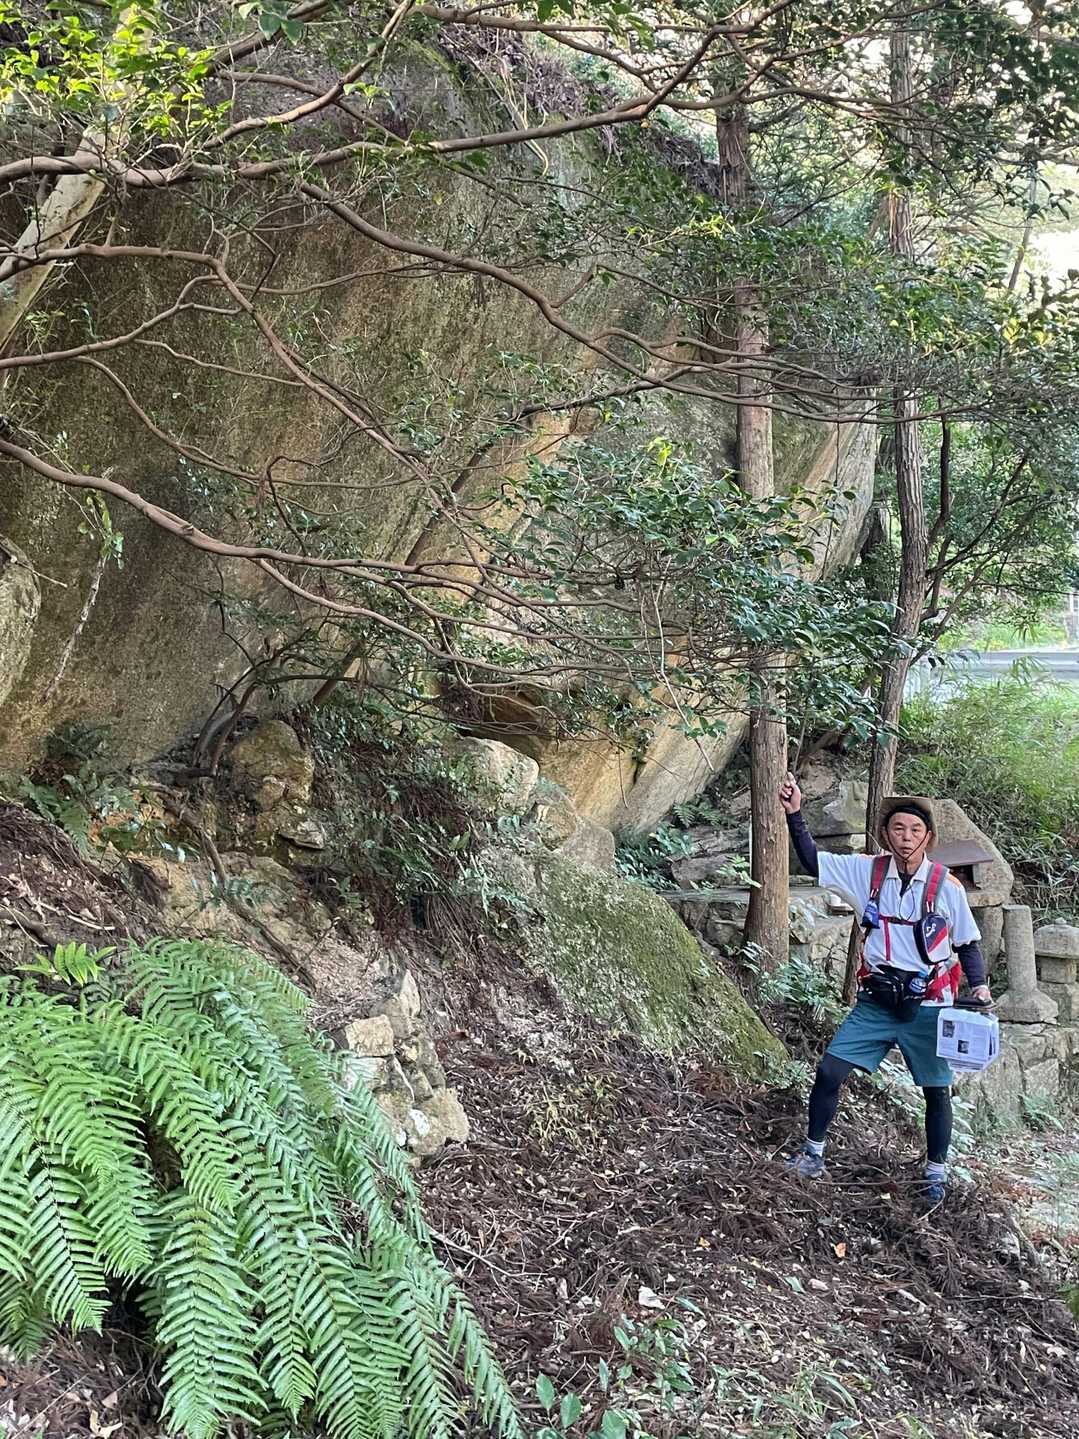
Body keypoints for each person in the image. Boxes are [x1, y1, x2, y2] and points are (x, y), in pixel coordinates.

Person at [778, 773, 992, 1206]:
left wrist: (981, 988)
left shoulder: (946, 886)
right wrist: (795, 813)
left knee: (936, 1091)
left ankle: (935, 1175)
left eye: (915, 829)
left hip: (928, 1004)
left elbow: (967, 944)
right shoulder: (867, 872)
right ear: (884, 834)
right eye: (898, 828)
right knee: (829, 1071)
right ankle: (813, 1154)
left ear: (928, 837)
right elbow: (813, 860)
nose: (906, 837)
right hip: (877, 1000)